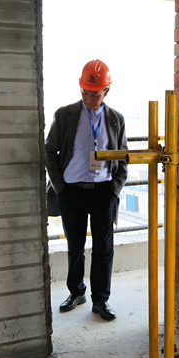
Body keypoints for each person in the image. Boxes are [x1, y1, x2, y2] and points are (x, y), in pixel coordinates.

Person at [45, 60, 128, 321]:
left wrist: (114, 191)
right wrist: (60, 187)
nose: (90, 99)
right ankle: (76, 292)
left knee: (104, 248)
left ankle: (100, 300)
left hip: (104, 192)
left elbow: (123, 158)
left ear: (106, 91)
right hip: (71, 192)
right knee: (75, 246)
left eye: (96, 94)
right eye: (86, 93)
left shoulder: (115, 120)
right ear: (80, 89)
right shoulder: (64, 116)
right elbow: (49, 151)